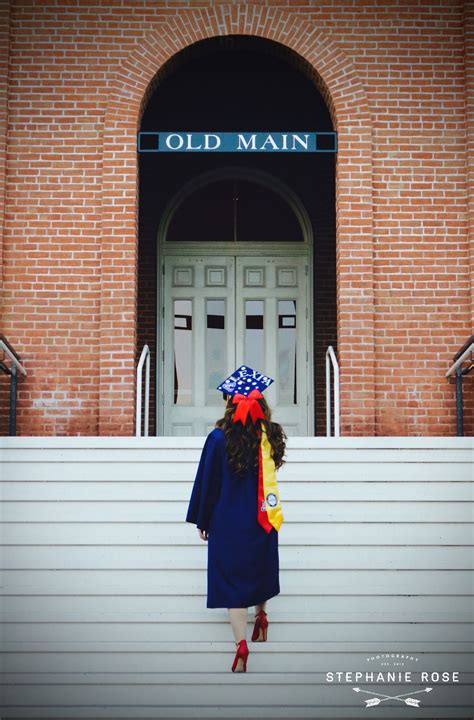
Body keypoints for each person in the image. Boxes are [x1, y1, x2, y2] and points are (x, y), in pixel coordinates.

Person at [185, 365, 287, 673]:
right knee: (260, 568)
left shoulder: (217, 439)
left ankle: (241, 644)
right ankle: (263, 615)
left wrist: (203, 519)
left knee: (232, 582)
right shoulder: (270, 436)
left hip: (227, 523)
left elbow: (208, 481)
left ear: (230, 403)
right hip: (261, 519)